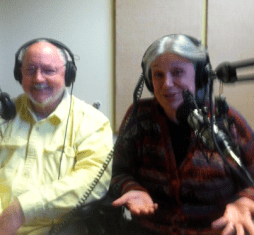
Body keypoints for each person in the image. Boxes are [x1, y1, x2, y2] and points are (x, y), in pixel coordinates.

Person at [0, 38, 113, 235]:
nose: (38, 78)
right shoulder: (0, 116)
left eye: (48, 70)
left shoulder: (93, 122)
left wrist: (21, 209)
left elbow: (93, 180)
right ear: (19, 74)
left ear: (67, 74)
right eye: (30, 70)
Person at [109, 34, 254, 235]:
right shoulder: (139, 117)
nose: (167, 84)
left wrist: (245, 201)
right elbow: (118, 173)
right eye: (158, 74)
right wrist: (131, 188)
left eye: (177, 72)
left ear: (199, 76)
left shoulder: (228, 121)